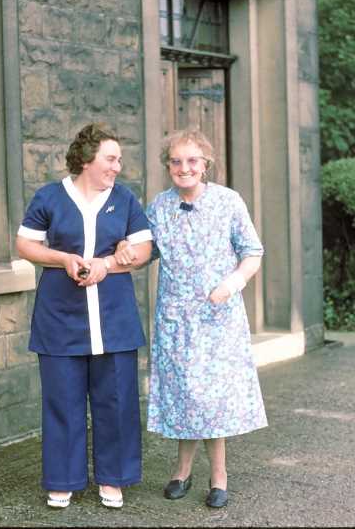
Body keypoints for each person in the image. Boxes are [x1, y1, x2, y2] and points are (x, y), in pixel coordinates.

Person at [115, 128, 267, 508]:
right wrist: (124, 248)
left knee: (210, 398)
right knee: (185, 394)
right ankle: (182, 471)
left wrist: (231, 284)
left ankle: (219, 476)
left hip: (218, 318)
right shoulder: (159, 207)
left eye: (192, 160)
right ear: (168, 166)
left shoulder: (228, 202)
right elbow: (146, 252)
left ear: (205, 164)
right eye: (176, 161)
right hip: (176, 320)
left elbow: (252, 252)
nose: (184, 168)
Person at [16, 122, 152, 509]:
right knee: (63, 401)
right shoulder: (49, 197)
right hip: (60, 318)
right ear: (87, 159)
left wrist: (109, 263)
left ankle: (113, 478)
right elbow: (25, 244)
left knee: (117, 401)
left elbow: (144, 250)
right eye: (111, 159)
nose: (117, 167)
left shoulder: (125, 199)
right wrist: (64, 259)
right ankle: (62, 480)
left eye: (119, 160)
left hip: (114, 319)